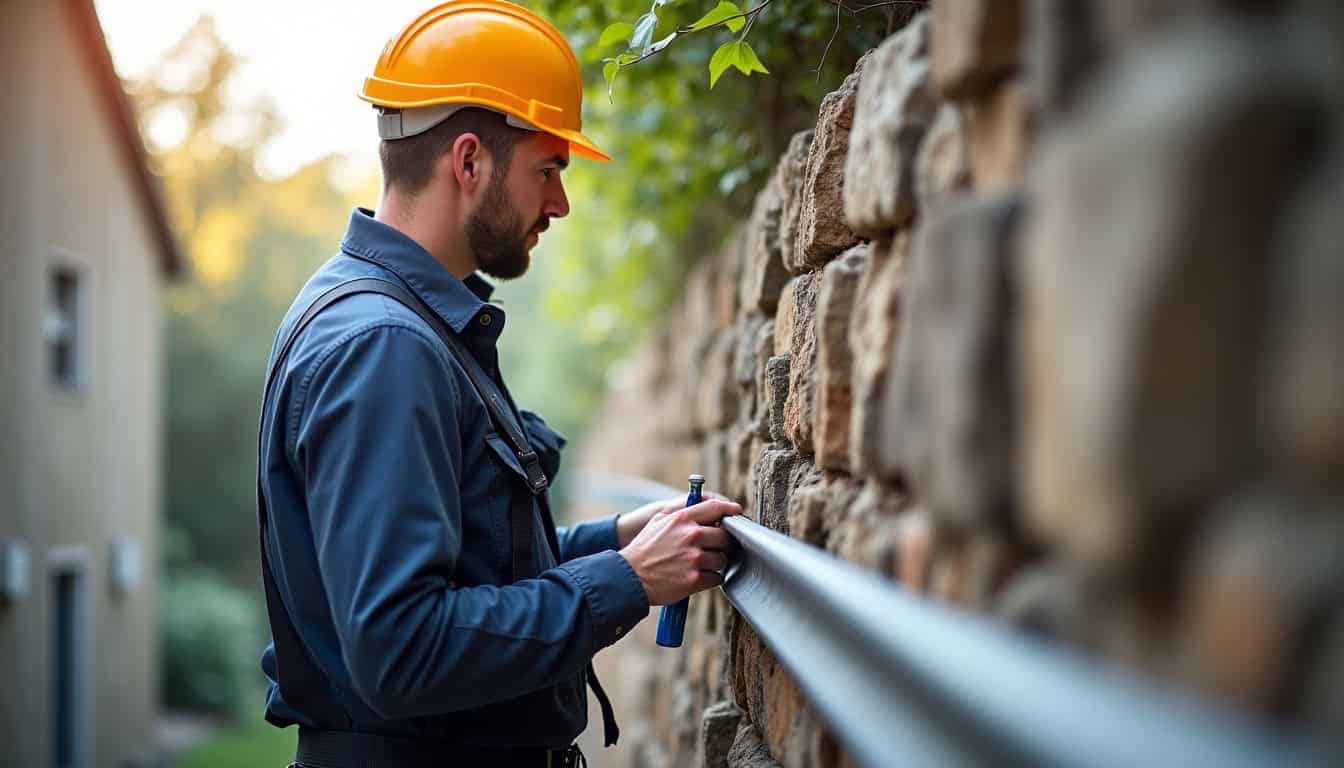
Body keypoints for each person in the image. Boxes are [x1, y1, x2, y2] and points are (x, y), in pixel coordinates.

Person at [254, 2, 742, 766]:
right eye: (548, 170)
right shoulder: (385, 345)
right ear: (469, 162)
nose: (560, 203)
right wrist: (626, 581)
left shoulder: (391, 319)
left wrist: (617, 541)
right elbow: (403, 650)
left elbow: (471, 561)